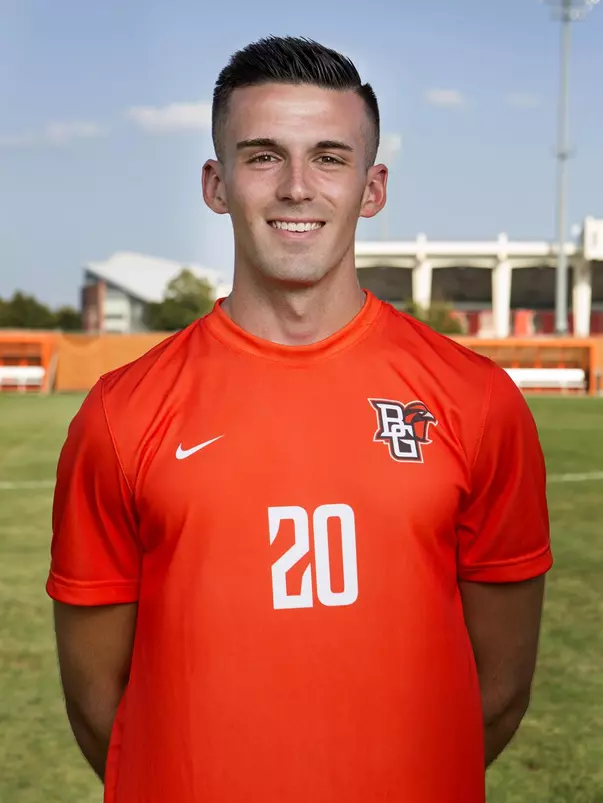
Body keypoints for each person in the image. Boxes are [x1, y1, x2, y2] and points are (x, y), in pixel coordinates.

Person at [46, 35, 552, 803]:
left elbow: (500, 688)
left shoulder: (476, 399)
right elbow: (96, 704)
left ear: (371, 188)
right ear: (215, 184)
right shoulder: (120, 414)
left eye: (328, 157)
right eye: (261, 156)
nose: (295, 187)